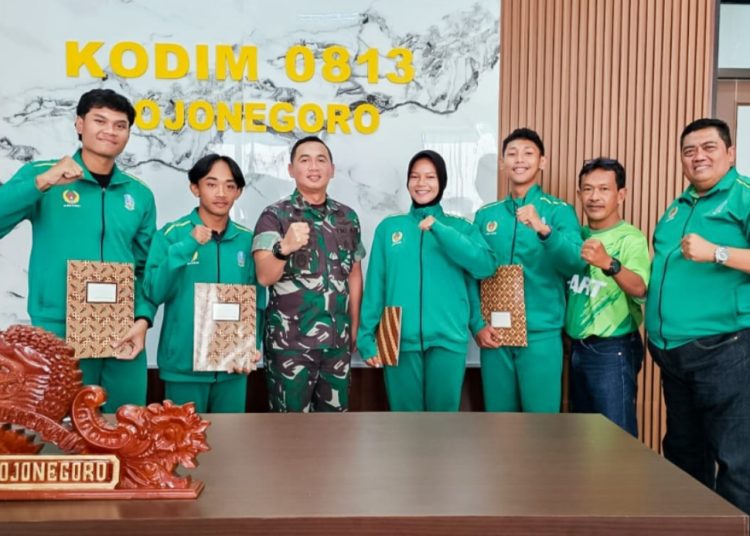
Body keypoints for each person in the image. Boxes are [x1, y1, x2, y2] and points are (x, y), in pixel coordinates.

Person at [0, 88, 156, 412]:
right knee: (57, 425)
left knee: (126, 423)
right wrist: (42, 183)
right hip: (58, 325)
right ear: (79, 124)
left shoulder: (139, 195)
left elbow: (146, 267)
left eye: (120, 125)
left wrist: (142, 319)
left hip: (122, 328)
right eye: (100, 121)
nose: (110, 131)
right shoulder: (44, 176)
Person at [646, 118, 750, 514]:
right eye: (689, 151)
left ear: (730, 153)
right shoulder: (679, 205)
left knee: (736, 461)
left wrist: (716, 252)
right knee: (684, 458)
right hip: (673, 356)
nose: (698, 157)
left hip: (724, 351)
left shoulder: (743, 196)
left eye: (709, 147)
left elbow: (709, 254)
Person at [357, 150, 495, 411]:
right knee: (404, 424)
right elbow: (376, 286)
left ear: (441, 181)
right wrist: (365, 338)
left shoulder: (461, 227)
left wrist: (439, 229)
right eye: (415, 176)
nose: (422, 183)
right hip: (397, 339)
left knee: (442, 425)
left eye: (430, 177)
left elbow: (484, 267)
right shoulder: (389, 228)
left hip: (448, 339)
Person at [472, 127, 584, 412]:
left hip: (541, 334)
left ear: (542, 161)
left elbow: (576, 262)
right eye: (512, 154)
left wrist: (543, 229)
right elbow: (472, 274)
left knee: (541, 426)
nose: (519, 159)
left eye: (528, 153)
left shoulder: (559, 211)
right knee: (498, 423)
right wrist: (477, 324)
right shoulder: (486, 215)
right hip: (494, 335)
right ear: (502, 163)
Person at [144, 154, 264, 413]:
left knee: (232, 437)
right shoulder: (173, 234)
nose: (221, 193)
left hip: (233, 367)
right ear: (195, 188)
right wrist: (187, 246)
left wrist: (252, 345)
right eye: (211, 184)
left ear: (238, 192)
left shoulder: (247, 240)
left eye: (230, 186)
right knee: (182, 438)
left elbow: (257, 299)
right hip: (183, 369)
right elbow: (154, 291)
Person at [252, 136, 364, 412]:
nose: (313, 166)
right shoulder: (273, 216)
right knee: (290, 428)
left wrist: (354, 325)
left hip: (337, 345)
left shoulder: (347, 217)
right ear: (291, 170)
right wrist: (285, 247)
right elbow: (264, 276)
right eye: (305, 160)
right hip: (290, 346)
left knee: (335, 427)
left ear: (332, 169)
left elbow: (354, 273)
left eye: (321, 159)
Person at [564, 158, 649, 436]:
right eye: (588, 189)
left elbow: (640, 288)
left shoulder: (630, 238)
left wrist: (609, 263)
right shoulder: (575, 236)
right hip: (576, 347)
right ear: (579, 194)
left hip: (613, 348)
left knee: (616, 438)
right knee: (583, 438)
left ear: (621, 195)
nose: (594, 197)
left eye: (604, 189)